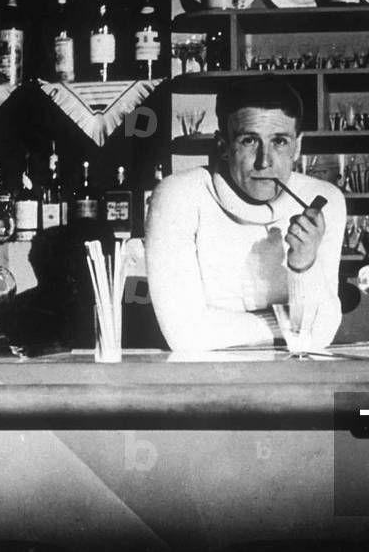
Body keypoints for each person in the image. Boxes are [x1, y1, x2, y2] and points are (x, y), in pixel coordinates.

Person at [145, 75, 346, 351]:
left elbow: (322, 333)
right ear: (224, 146)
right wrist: (289, 323)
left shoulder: (324, 200)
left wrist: (303, 264)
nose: (265, 161)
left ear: (298, 146)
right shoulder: (179, 195)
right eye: (250, 140)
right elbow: (184, 335)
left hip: (294, 374)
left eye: (280, 141)